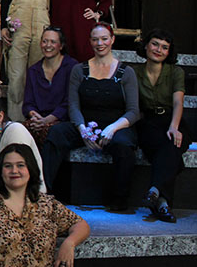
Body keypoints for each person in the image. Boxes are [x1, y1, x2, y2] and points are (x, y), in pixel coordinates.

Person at [41, 23, 139, 210]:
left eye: (104, 39)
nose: (99, 43)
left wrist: (113, 128)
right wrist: (82, 129)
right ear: (90, 42)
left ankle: (119, 199)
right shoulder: (79, 70)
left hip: (115, 125)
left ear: (112, 40)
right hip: (85, 124)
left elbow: (133, 111)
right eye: (95, 39)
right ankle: (45, 192)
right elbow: (73, 104)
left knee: (124, 145)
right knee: (56, 134)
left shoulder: (126, 72)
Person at [131, 29, 193, 222]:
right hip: (148, 121)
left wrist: (174, 127)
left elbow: (177, 103)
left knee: (173, 141)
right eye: (155, 44)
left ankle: (155, 191)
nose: (159, 50)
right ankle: (162, 202)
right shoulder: (134, 72)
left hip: (172, 119)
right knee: (170, 151)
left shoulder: (175, 72)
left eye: (164, 47)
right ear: (147, 45)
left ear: (169, 52)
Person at [0, 0, 50, 121]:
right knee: (17, 78)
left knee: (38, 76)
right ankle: (15, 122)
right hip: (18, 29)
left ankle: (37, 122)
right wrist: (3, 26)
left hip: (41, 29)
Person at [22, 26, 77, 147]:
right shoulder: (33, 70)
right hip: (38, 119)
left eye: (53, 42)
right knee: (19, 130)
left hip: (61, 120)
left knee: (49, 132)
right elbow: (27, 103)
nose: (48, 45)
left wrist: (47, 121)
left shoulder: (72, 67)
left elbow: (70, 103)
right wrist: (36, 117)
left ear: (61, 46)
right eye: (44, 41)